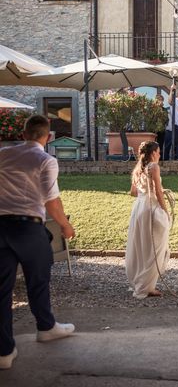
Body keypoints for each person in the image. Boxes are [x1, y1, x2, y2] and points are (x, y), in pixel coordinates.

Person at [0, 115, 76, 370]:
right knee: (38, 281)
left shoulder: (3, 154)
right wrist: (65, 225)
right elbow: (51, 200)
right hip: (28, 227)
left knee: (2, 290)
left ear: (23, 134)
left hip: (1, 226)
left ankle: (4, 351)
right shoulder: (46, 160)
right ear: (49, 137)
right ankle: (45, 327)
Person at [125, 141, 171, 299]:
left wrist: (146, 191)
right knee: (155, 248)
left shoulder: (139, 168)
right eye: (158, 152)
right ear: (153, 153)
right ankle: (146, 286)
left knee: (142, 247)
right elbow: (158, 192)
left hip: (139, 208)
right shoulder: (154, 167)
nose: (159, 154)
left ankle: (142, 282)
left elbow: (133, 192)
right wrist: (166, 211)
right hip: (150, 209)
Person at [155, 94, 166, 160]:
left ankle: (160, 159)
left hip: (161, 130)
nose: (160, 101)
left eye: (161, 100)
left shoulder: (164, 110)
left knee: (160, 145)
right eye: (158, 99)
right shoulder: (152, 108)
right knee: (153, 145)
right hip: (153, 130)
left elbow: (166, 119)